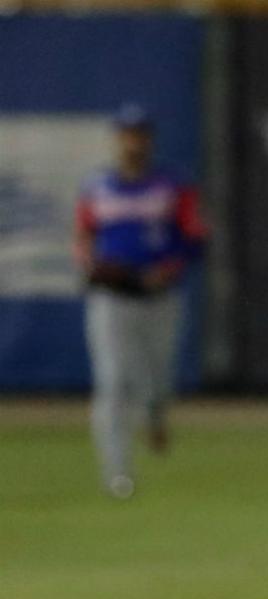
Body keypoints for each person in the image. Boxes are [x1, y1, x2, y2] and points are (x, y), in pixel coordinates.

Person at [73, 103, 208, 500]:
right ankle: (118, 473)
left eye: (140, 134)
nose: (133, 141)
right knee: (112, 382)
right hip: (111, 298)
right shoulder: (96, 186)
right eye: (127, 133)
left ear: (148, 139)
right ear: (118, 139)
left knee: (157, 382)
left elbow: (196, 236)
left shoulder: (172, 185)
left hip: (158, 296)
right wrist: (91, 265)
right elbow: (81, 237)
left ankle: (154, 414)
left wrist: (168, 267)